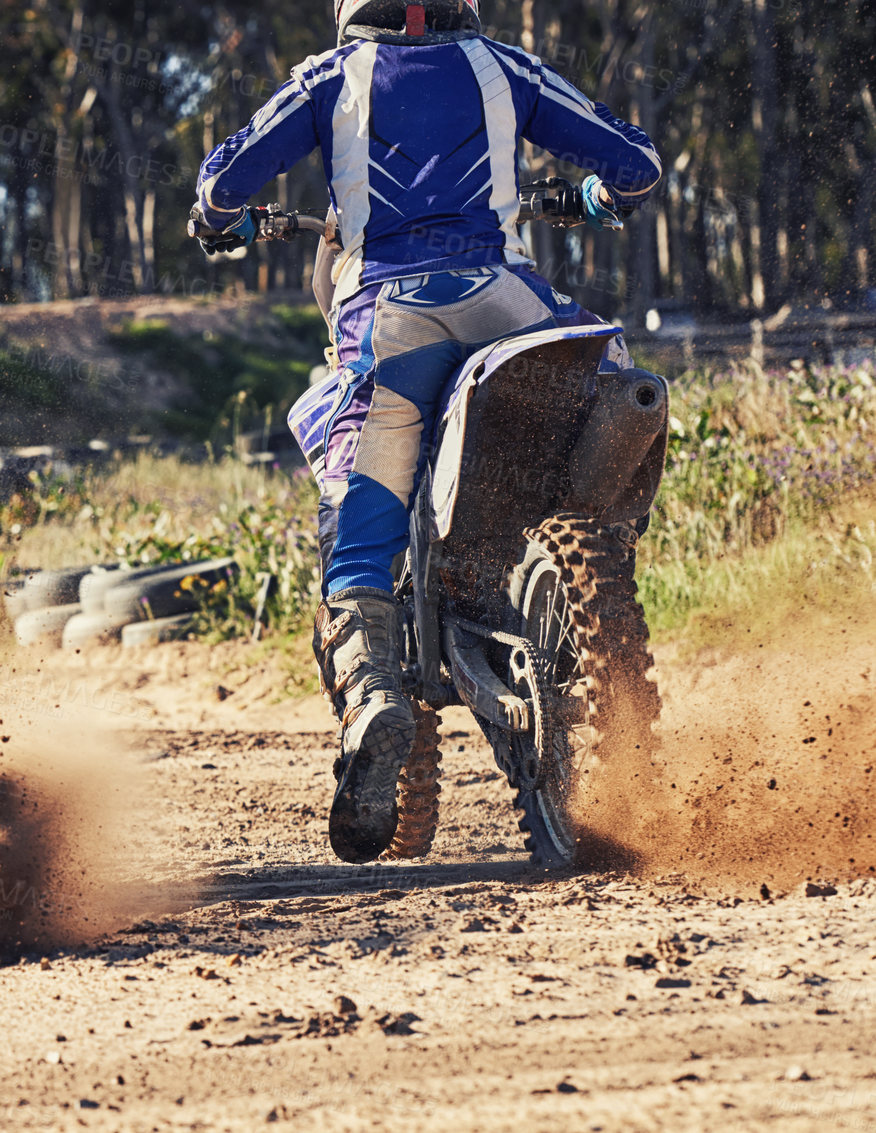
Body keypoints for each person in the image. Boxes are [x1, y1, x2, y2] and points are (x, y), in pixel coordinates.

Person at [188, 0, 660, 862]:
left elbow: (221, 185)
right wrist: (589, 194)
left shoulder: (329, 78)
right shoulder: (506, 67)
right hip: (505, 303)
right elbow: (636, 165)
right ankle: (604, 562)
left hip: (392, 315)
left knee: (359, 499)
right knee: (599, 373)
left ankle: (373, 695)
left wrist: (220, 224)